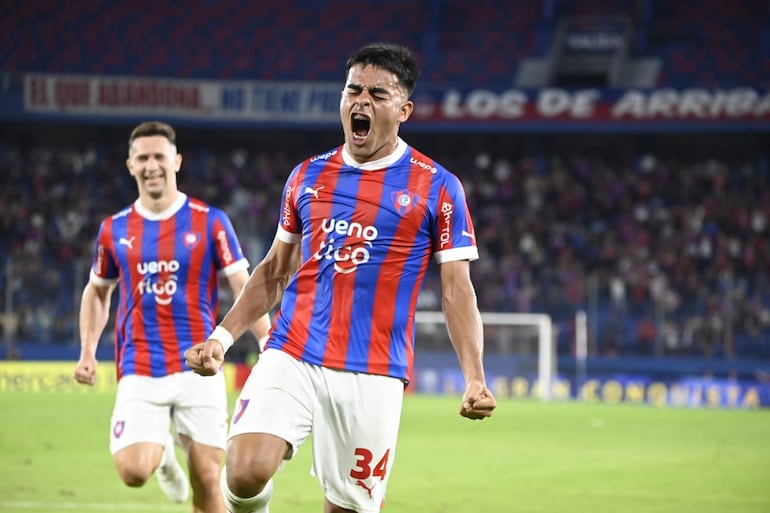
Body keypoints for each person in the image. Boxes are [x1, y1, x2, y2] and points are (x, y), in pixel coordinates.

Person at [185, 42, 497, 513]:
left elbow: (457, 290)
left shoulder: (436, 186)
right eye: (353, 90)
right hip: (295, 348)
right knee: (245, 471)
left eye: (378, 93)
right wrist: (222, 338)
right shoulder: (308, 176)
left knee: (345, 508)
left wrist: (474, 377)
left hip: (373, 369)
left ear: (404, 109)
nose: (361, 102)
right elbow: (274, 270)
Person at [73, 121, 272, 513]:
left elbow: (243, 285)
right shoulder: (113, 230)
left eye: (159, 157)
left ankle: (177, 451)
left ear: (176, 161)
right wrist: (87, 351)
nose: (151, 165)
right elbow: (97, 290)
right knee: (133, 471)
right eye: (142, 158)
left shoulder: (211, 221)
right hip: (140, 366)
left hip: (199, 364)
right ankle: (162, 450)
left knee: (209, 479)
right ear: (130, 165)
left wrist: (268, 341)